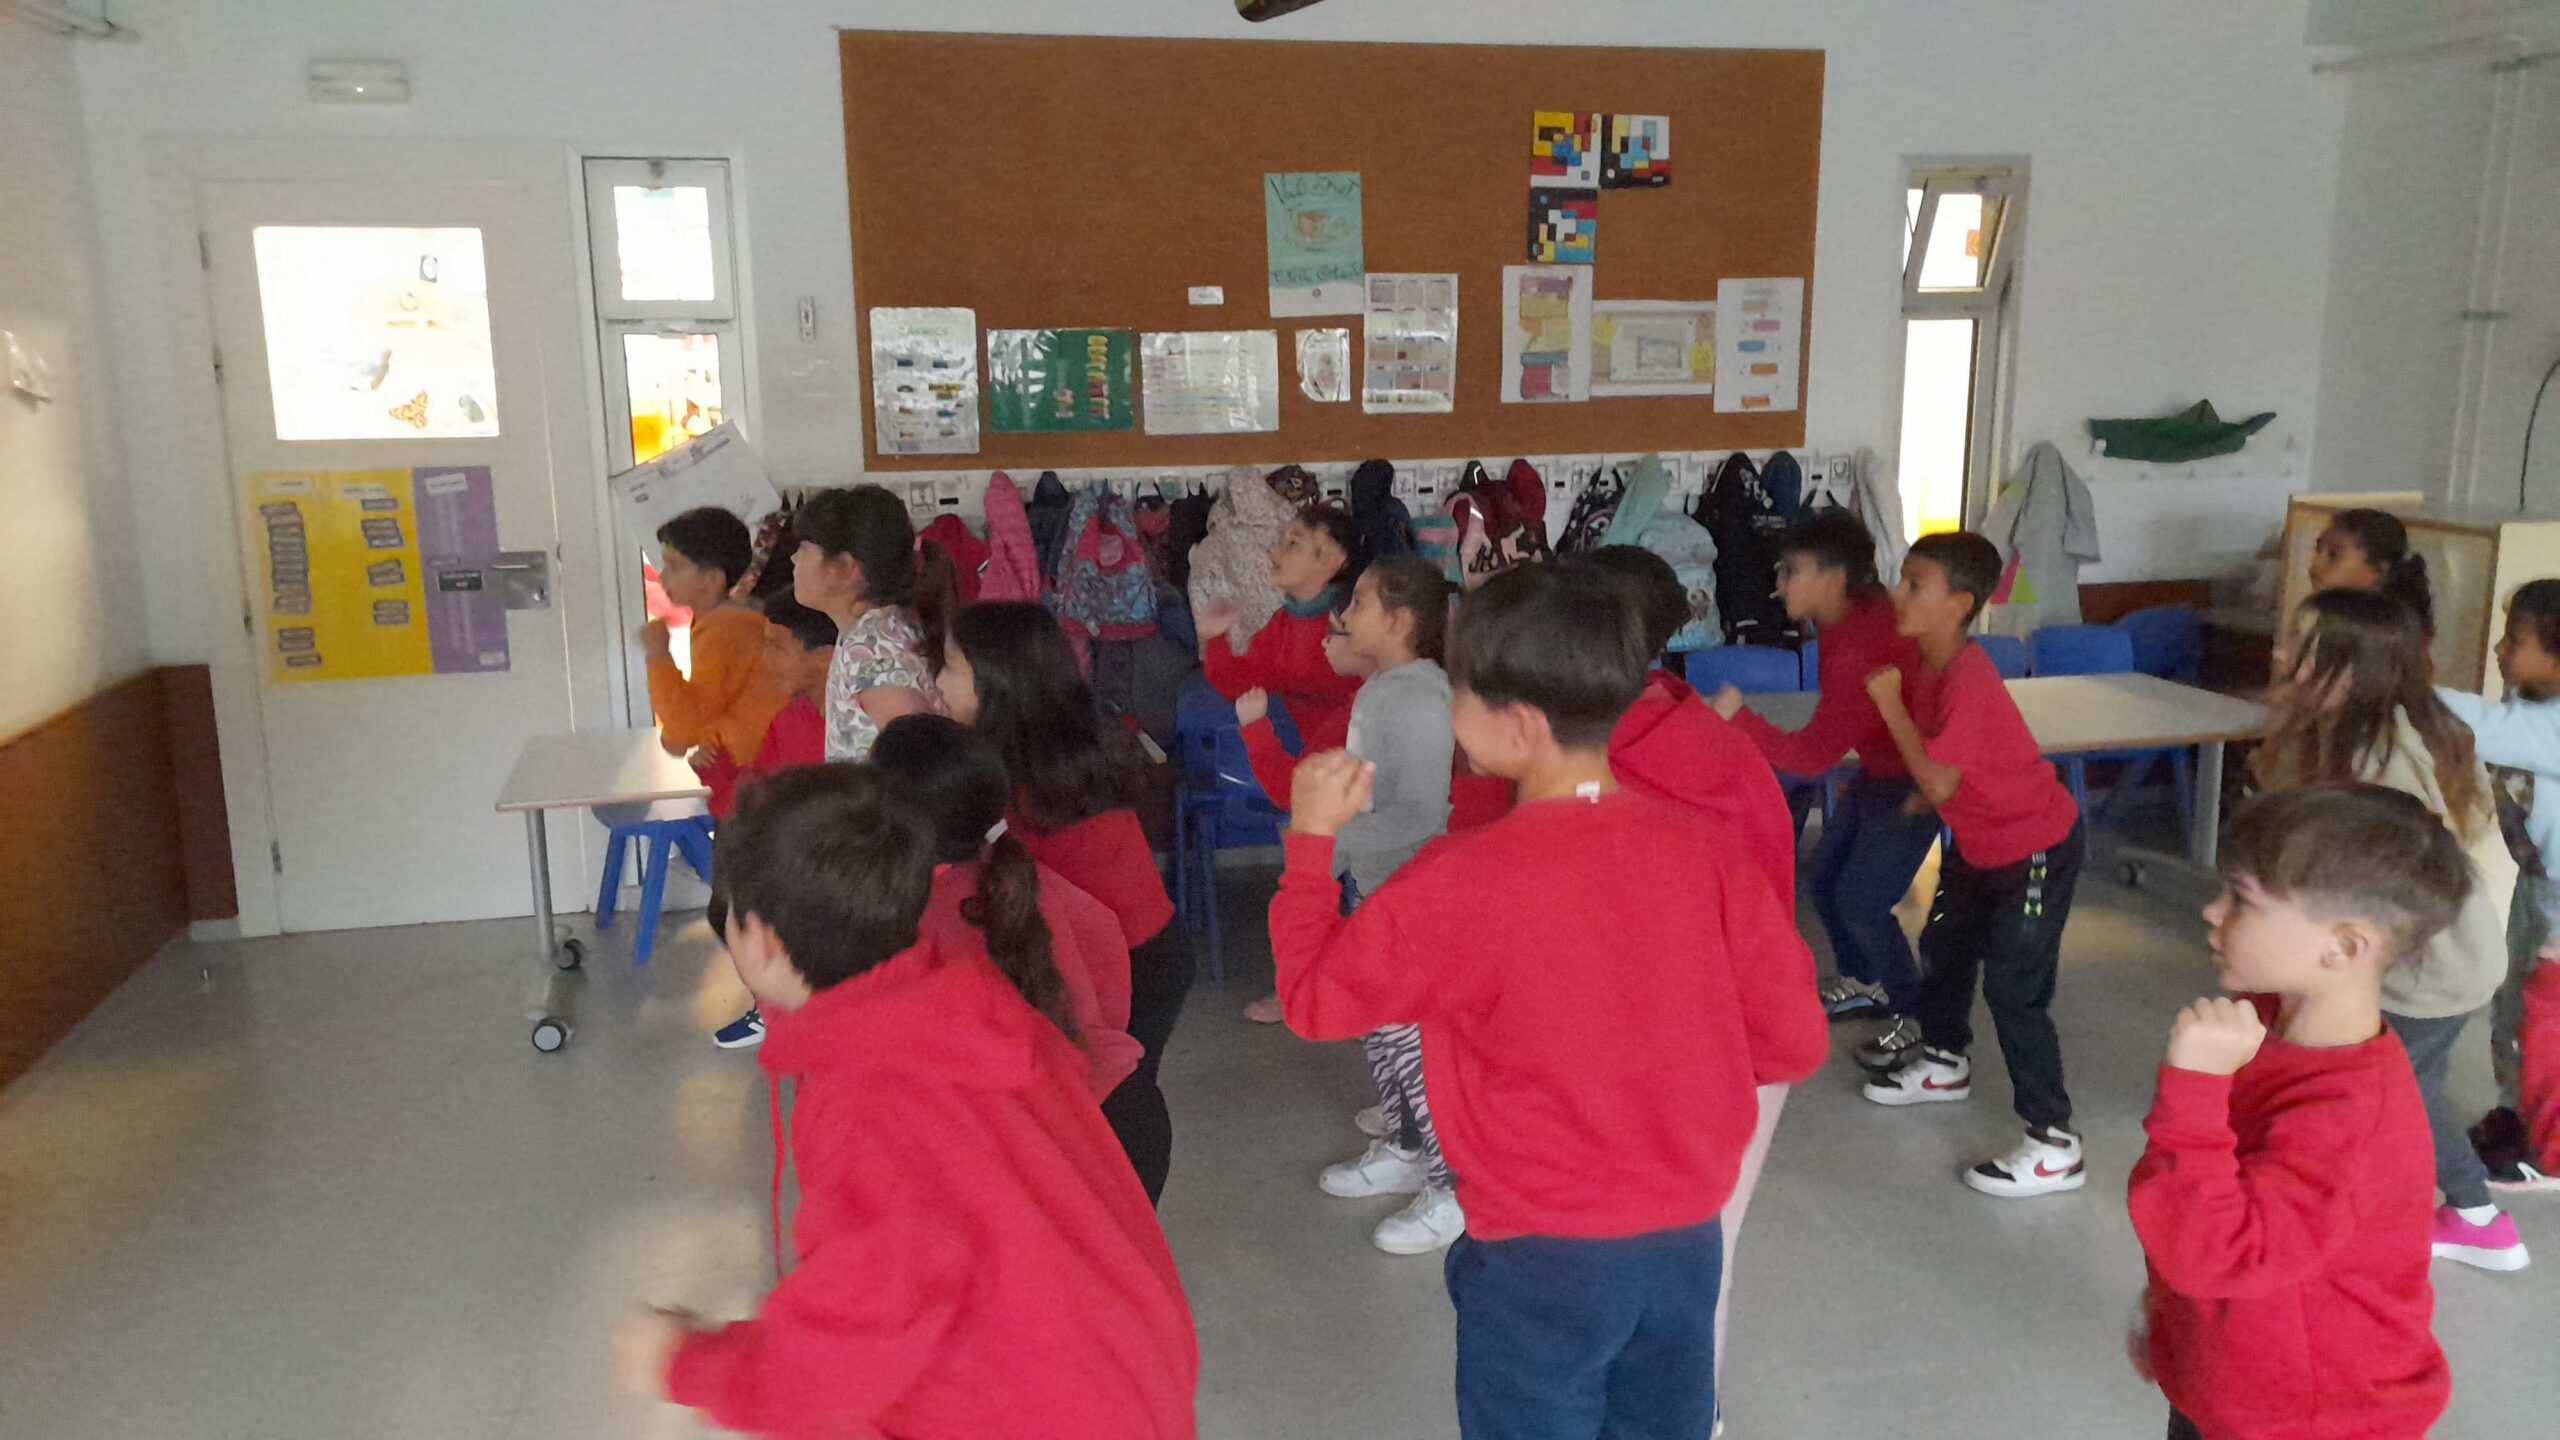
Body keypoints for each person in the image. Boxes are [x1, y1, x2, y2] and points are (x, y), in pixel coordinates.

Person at [1268, 564, 1827, 1439]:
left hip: (1536, 1254)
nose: (1449, 710)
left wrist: (1310, 842)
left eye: (1458, 693)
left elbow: (1312, 1001)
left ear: (1519, 724)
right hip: (1684, 1245)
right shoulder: (1708, 853)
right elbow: (1792, 1043)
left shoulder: (1456, 880)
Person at [613, 764, 1197, 1438]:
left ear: (761, 942)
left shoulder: (868, 1098)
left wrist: (685, 1365)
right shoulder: (966, 999)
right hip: (1119, 1383)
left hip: (1043, 1411)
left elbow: (836, 1364)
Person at [2128, 784, 2464, 1440]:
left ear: (2344, 946)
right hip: (2232, 1381)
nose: (2211, 910)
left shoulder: (2350, 1117)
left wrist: (2193, 1094)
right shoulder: (2261, 1026)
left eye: (2242, 898)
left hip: (2306, 1420)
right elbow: (2220, 1216)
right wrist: (2178, 1325)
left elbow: (2216, 1254)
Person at [1576, 544, 1807, 1397]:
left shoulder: (1581, 762)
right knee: (1698, 1255)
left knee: (1632, 1263)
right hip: (1732, 1046)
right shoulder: (1707, 739)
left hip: (1676, 1049)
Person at [2252, 588, 2528, 1268]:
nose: (2280, 653)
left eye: (2302, 647)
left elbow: (2387, 874)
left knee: (2393, 1090)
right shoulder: (2371, 731)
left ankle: (2476, 1217)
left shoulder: (2384, 758)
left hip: (2431, 965)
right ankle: (2439, 1210)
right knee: (2401, 1085)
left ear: (2353, 671)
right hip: (2442, 954)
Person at [938, 602, 1193, 1205]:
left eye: (950, 667)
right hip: (1123, 953)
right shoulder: (1049, 752)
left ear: (997, 683)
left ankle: (1112, 1221)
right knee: (1102, 1097)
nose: (937, 683)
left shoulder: (1026, 780)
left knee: (1112, 1096)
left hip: (1136, 960)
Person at [1861, 531, 2090, 1198]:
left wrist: (1888, 705)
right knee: (1945, 947)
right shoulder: (1929, 663)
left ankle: (2055, 1142)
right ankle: (1944, 1061)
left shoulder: (1967, 676)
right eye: (1902, 580)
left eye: (1916, 585)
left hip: (2034, 849)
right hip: (1979, 844)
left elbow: (1937, 777)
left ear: (1959, 604)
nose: (1899, 595)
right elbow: (1952, 767)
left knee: (2015, 988)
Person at [712, 485, 948, 1050]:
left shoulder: (873, 648)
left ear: (845, 569)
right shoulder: (873, 632)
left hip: (887, 849)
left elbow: (922, 760)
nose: (793, 560)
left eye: (805, 549)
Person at [1279, 557, 1465, 1255]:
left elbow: (1420, 814)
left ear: (1400, 619)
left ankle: (1452, 1184)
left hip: (1404, 892)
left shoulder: (1417, 700)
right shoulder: (1385, 689)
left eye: (1359, 601)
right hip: (1373, 883)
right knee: (1382, 1031)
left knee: (1415, 1043)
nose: (1343, 614)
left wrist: (1325, 837)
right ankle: (1409, 1146)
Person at [1713, 510, 1932, 1031]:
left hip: (1919, 780)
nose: (1779, 583)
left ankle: (1918, 1020)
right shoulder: (1845, 622)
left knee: (1861, 902)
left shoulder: (1858, 642)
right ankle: (1865, 982)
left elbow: (1812, 757)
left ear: (1833, 578)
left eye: (1791, 570)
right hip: (1884, 768)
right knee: (1827, 874)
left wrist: (1738, 718)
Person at [867, 714, 1146, 1113]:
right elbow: (1105, 950)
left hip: (1056, 1118)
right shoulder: (1020, 876)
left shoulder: (916, 923)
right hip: (1110, 1100)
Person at [2440, 579, 2560, 1192]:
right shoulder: (2536, 710)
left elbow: (2478, 725)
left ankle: (2548, 1148)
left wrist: (2396, 683)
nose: (2499, 650)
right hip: (2539, 888)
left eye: (2515, 641)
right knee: (2513, 1004)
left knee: (2548, 1019)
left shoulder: (2551, 727)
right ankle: (2516, 1112)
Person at [643, 507, 788, 812]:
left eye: (674, 566)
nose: (663, 576)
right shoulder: (727, 619)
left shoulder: (725, 629)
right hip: (763, 771)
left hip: (762, 781)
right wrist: (706, 733)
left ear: (711, 579)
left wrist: (658, 656)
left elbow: (685, 724)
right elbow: (711, 705)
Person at [1198, 502, 1366, 763]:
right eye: (1280, 542)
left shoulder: (1359, 621)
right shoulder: (1282, 624)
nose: (1274, 553)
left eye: (1293, 544)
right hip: (1323, 762)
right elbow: (1240, 684)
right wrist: (1215, 638)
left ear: (1331, 558)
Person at [707, 596, 832, 817]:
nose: (765, 658)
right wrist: (718, 769)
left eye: (777, 648)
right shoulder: (789, 719)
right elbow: (757, 800)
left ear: (824, 658)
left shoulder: (856, 722)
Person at [2307, 506, 2434, 638]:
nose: (2316, 564)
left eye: (2334, 555)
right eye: (2317, 549)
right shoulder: (2322, 621)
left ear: (2377, 573)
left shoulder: (2389, 637)